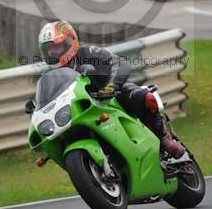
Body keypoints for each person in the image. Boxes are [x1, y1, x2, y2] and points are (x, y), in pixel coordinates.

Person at [37, 20, 186, 160]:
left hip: (111, 96)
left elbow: (118, 63)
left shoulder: (88, 53)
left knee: (144, 97)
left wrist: (110, 86)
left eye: (55, 47)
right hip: (81, 109)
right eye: (48, 49)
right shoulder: (50, 75)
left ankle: (163, 138)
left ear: (70, 41)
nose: (52, 53)